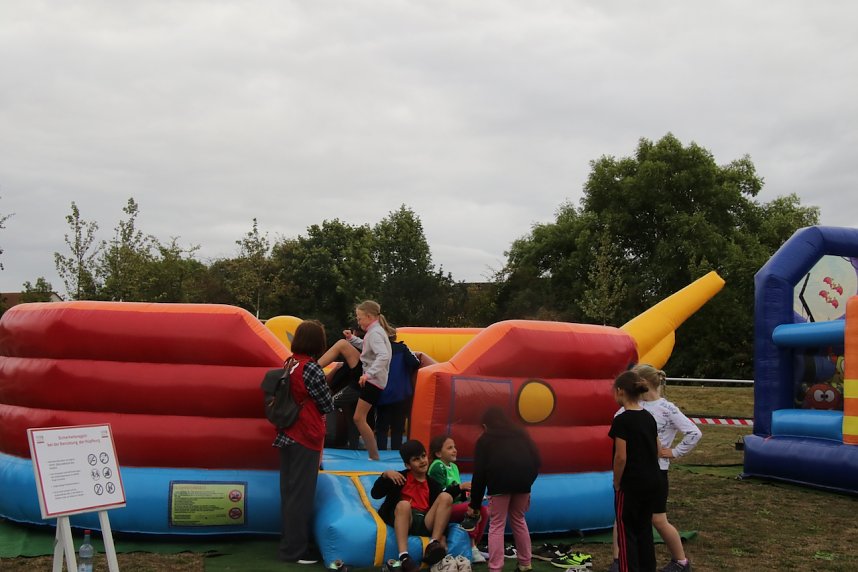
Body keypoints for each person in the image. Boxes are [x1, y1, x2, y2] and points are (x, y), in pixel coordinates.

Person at [272, 320, 335, 564]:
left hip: (286, 433)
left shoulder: (289, 363)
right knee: (301, 495)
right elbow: (326, 404)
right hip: (305, 436)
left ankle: (289, 543)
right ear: (317, 343)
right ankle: (295, 551)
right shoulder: (311, 368)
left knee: (289, 492)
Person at [635, 364, 701, 572]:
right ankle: (621, 561)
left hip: (656, 471)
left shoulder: (667, 408)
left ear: (643, 383)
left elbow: (694, 433)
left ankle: (681, 561)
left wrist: (673, 452)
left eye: (633, 381)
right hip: (635, 470)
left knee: (658, 519)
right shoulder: (634, 404)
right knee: (626, 517)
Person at [466, 407, 540, 572]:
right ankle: (525, 563)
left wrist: (475, 504)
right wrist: (527, 482)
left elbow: (479, 474)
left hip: (499, 485)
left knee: (497, 525)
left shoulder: (485, 440)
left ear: (486, 426)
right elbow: (536, 461)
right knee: (519, 520)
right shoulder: (522, 435)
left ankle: (495, 567)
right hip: (522, 485)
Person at [319, 300, 393, 460]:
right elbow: (367, 346)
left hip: (372, 381)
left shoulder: (375, 333)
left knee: (358, 418)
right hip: (373, 380)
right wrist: (352, 339)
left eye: (359, 318)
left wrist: (368, 374)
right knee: (358, 418)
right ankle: (374, 455)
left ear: (369, 316)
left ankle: (374, 455)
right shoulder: (375, 332)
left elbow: (384, 356)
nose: (358, 321)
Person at [371, 439, 456, 572]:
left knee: (446, 497)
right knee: (404, 505)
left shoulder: (433, 484)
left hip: (425, 520)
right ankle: (404, 557)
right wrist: (385, 475)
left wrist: (443, 535)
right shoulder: (399, 478)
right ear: (408, 465)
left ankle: (433, 544)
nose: (422, 461)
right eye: (416, 459)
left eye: (423, 456)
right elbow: (375, 494)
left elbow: (442, 513)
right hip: (406, 519)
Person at [609, 370, 661, 572]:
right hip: (652, 481)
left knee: (626, 531)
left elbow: (621, 457)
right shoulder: (649, 417)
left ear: (620, 391)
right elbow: (657, 449)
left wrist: (617, 481)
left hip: (631, 484)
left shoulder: (622, 420)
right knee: (644, 529)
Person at [428, 435, 489, 564]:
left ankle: (473, 547)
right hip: (441, 510)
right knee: (474, 509)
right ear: (438, 453)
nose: (454, 450)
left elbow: (458, 494)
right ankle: (472, 548)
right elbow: (439, 494)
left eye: (454, 447)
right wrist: (461, 487)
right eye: (450, 448)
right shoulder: (437, 466)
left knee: (484, 511)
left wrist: (471, 495)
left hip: (455, 506)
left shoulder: (454, 467)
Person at [376, 335, 421, 451]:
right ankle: (397, 453)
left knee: (382, 427)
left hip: (382, 394)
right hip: (401, 394)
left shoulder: (376, 350)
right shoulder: (402, 348)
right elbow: (415, 362)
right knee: (398, 427)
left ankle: (380, 452)